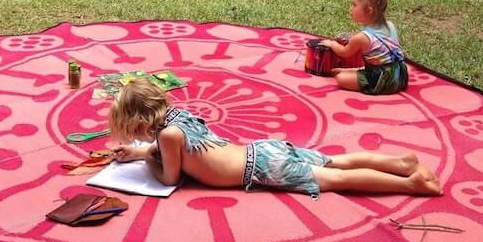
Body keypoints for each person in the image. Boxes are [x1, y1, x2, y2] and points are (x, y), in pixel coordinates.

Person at [109, 78, 441, 199]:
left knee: (337, 179)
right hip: (263, 149)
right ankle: (400, 163)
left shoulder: (167, 137)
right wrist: (140, 154)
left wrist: (150, 161)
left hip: (261, 169)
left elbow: (170, 177)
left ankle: (412, 184)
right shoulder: (177, 119)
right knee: (333, 160)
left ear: (139, 122)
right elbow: (176, 146)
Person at [320, 0, 408, 94]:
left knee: (340, 78)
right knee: (340, 71)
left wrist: (332, 44)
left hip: (382, 80)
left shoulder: (361, 38)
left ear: (369, 10)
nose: (351, 8)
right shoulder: (390, 25)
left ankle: (371, 82)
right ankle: (359, 73)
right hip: (401, 75)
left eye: (354, 4)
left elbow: (344, 52)